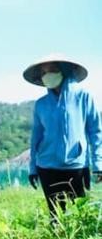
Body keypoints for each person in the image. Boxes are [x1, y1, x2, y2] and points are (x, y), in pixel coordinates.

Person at [24, 54, 102, 225]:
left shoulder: (83, 97)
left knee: (79, 214)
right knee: (56, 214)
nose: (48, 75)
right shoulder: (41, 104)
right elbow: (35, 138)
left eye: (52, 70)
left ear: (65, 71)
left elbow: (95, 131)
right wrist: (33, 168)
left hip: (76, 165)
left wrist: (98, 164)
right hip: (47, 166)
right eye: (44, 72)